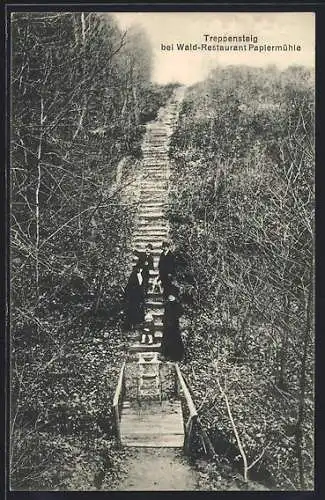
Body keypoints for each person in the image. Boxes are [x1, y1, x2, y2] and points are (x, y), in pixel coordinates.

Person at [161, 291, 184, 362]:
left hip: (174, 326)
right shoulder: (167, 304)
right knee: (166, 340)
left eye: (172, 296)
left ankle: (175, 356)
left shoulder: (177, 305)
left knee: (175, 340)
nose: (170, 297)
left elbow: (180, 312)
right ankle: (166, 355)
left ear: (175, 297)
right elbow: (165, 314)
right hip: (167, 325)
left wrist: (174, 318)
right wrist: (165, 321)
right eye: (169, 296)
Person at [124, 256, 145, 330]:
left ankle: (137, 325)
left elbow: (142, 285)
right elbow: (129, 285)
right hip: (133, 296)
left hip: (139, 295)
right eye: (139, 268)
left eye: (141, 268)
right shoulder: (133, 275)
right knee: (132, 310)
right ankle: (130, 325)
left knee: (139, 309)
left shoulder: (142, 275)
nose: (140, 270)